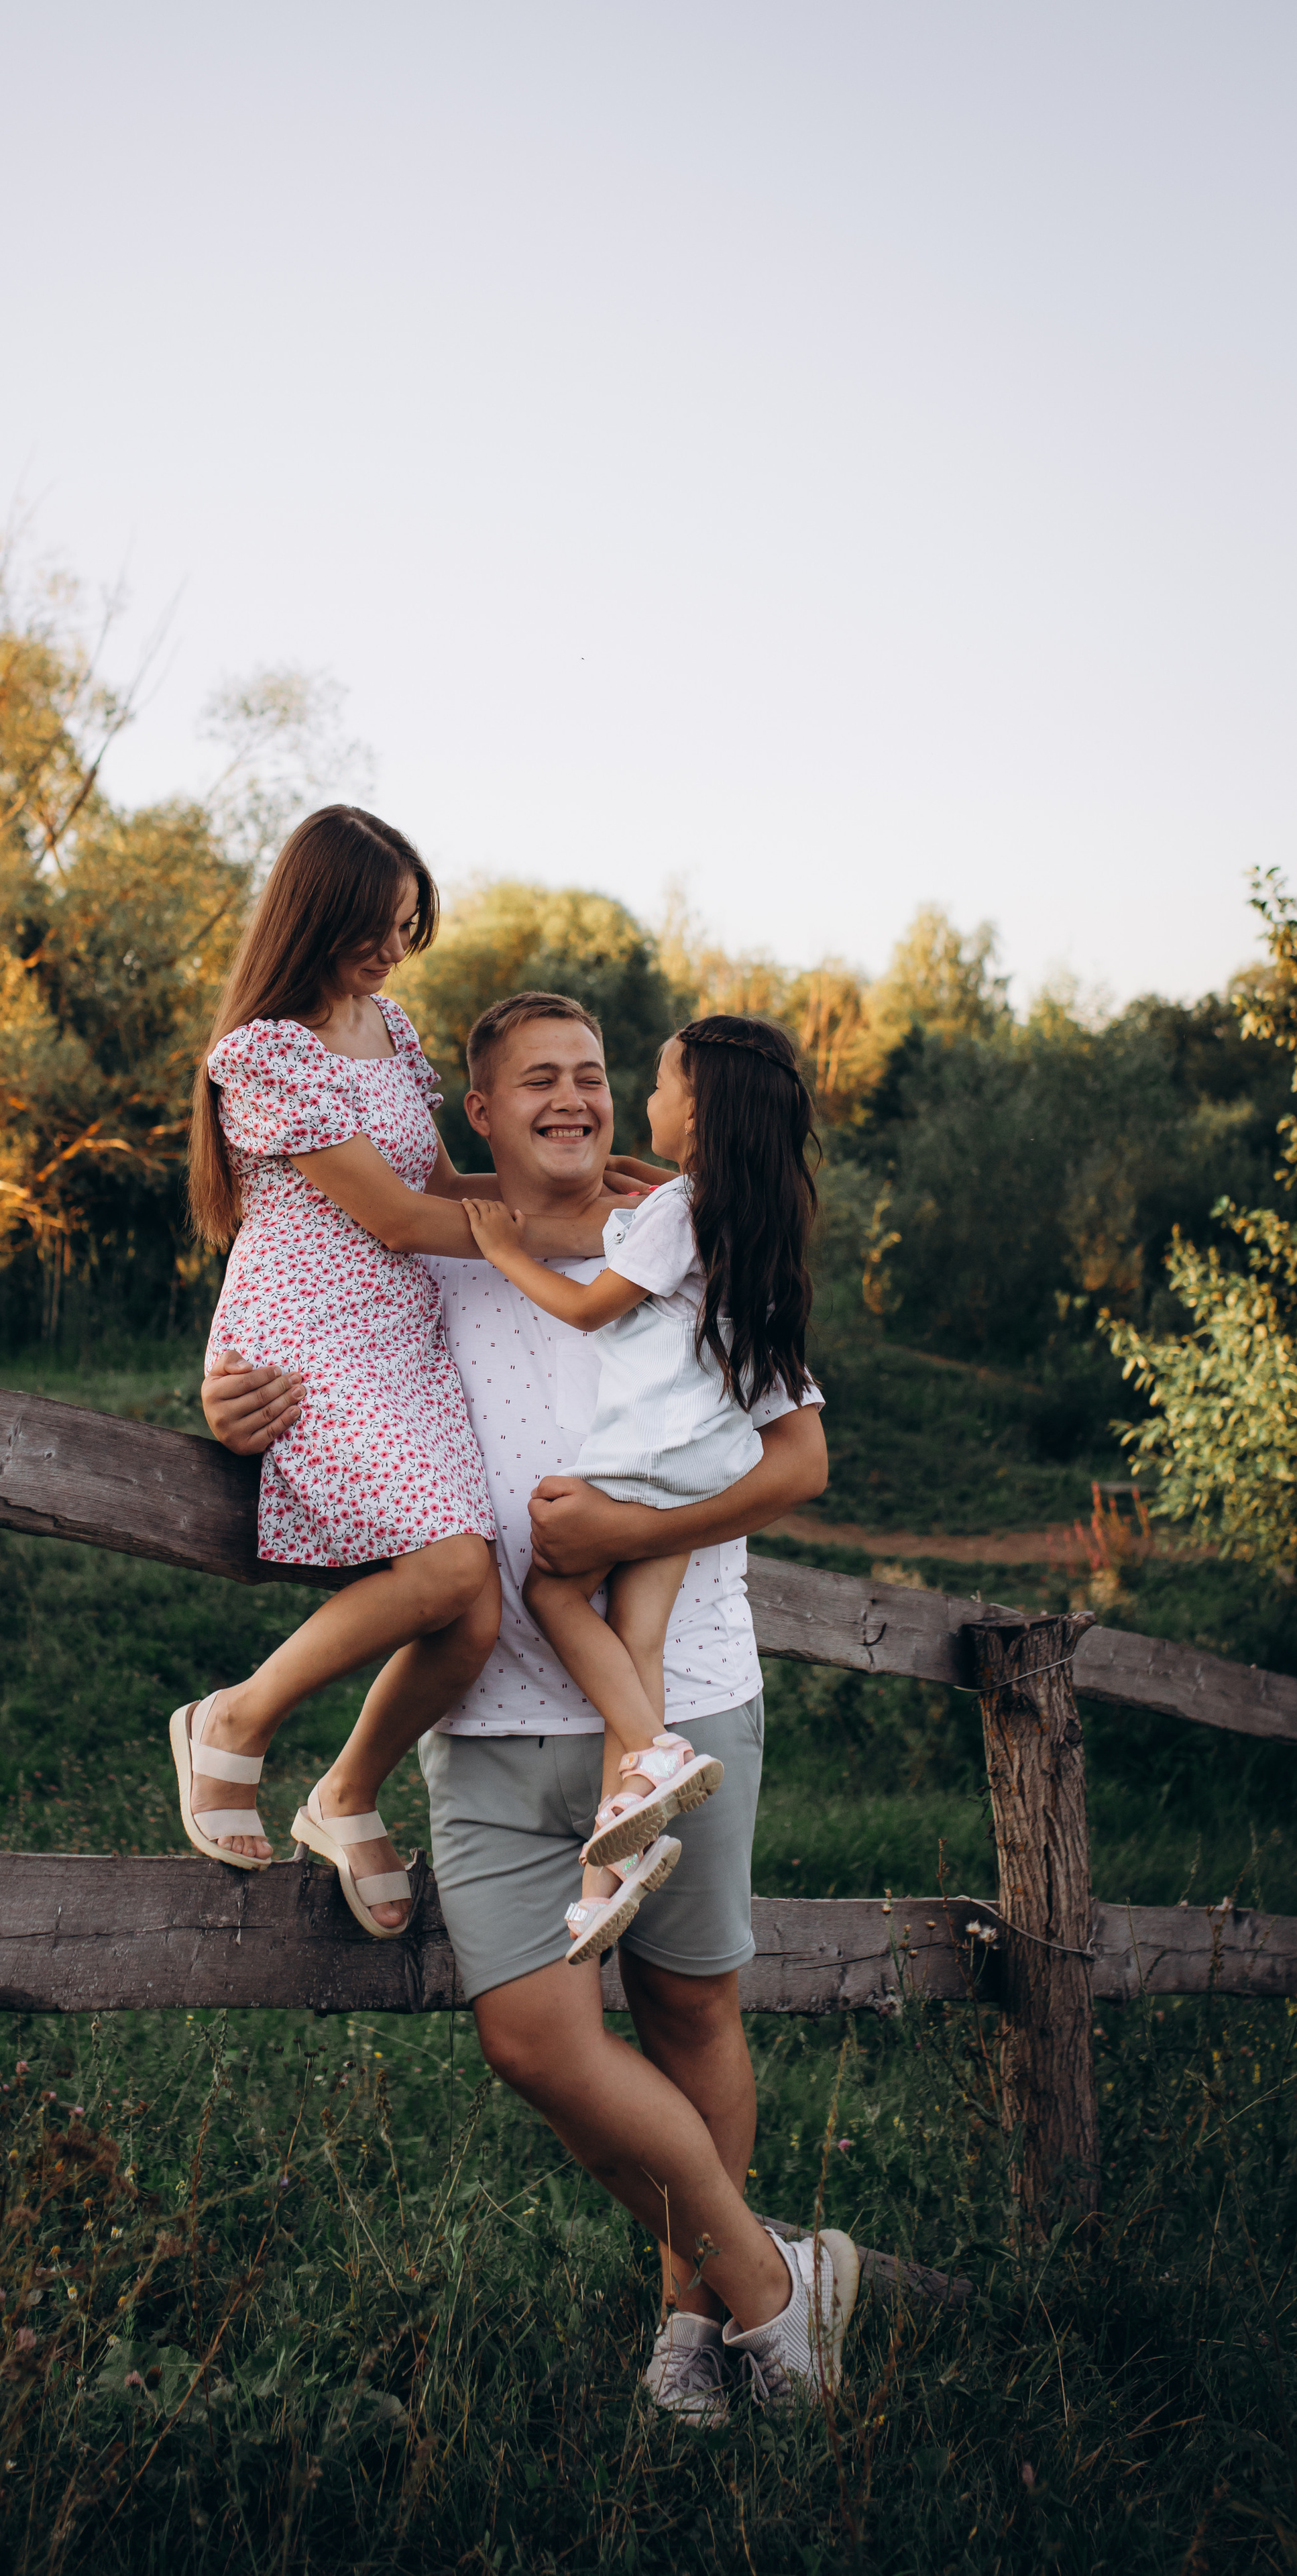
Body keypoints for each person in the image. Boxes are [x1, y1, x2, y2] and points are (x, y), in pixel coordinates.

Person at [204, 990, 855, 2414]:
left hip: (685, 1705)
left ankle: (693, 2330)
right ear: (476, 1115)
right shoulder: (432, 1247)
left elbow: (798, 1458)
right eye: (536, 1083)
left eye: (593, 1076)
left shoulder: (687, 1236)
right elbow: (301, 1314)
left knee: (690, 2019)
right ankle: (766, 2281)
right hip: (492, 1721)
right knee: (532, 2040)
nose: (573, 1100)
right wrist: (230, 1400)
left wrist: (621, 1536)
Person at [180, 811, 635, 1938]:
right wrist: (580, 1238)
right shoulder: (263, 1054)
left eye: (406, 928)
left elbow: (438, 1180)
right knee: (447, 1571)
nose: (392, 952)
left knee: (471, 1615)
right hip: (309, 1346)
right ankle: (231, 1721)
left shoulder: (388, 1025)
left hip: (404, 1344)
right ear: (315, 916)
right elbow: (391, 1215)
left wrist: (592, 1191)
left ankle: (343, 1798)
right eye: (373, 930)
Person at [461, 1016, 818, 1970]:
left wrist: (501, 1248)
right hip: (705, 1463)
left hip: (646, 1459)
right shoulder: (745, 1214)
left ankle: (653, 1751)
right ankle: (610, 1876)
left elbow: (586, 1308)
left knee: (551, 1590)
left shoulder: (677, 1211)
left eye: (656, 1085)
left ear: (697, 1111)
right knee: (639, 1635)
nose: (645, 1100)